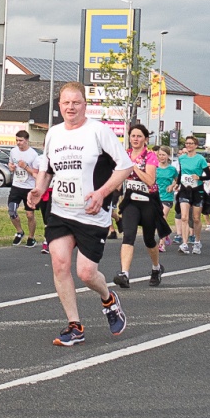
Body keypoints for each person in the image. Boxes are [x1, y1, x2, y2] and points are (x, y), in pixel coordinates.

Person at [25, 81, 132, 346]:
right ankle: (75, 326)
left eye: (76, 102)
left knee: (86, 273)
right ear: (59, 106)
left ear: (85, 105)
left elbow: (125, 167)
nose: (70, 107)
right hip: (61, 211)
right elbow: (47, 169)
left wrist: (102, 193)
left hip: (91, 214)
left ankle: (108, 298)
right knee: (60, 264)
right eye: (66, 103)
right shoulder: (54, 134)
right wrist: (39, 189)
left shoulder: (99, 131)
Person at [113, 123, 165, 288]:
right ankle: (124, 274)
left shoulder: (150, 156)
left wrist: (133, 167)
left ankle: (156, 268)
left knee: (149, 239)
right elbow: (118, 179)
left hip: (148, 200)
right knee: (129, 235)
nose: (135, 139)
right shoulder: (124, 154)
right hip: (130, 201)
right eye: (133, 136)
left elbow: (150, 181)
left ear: (145, 139)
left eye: (139, 136)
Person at [175, 136, 210, 253]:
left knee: (196, 218)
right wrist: (177, 184)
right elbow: (181, 173)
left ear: (196, 145)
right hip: (185, 189)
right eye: (187, 143)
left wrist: (199, 177)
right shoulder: (182, 158)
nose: (189, 145)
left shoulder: (200, 159)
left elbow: (208, 175)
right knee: (184, 217)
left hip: (197, 190)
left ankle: (197, 242)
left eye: (191, 143)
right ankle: (185, 243)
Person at [6, 130, 41, 247]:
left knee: (30, 215)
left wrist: (25, 167)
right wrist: (11, 167)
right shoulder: (13, 151)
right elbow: (10, 164)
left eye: (21, 140)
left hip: (29, 188)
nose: (18, 143)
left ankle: (31, 237)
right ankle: (19, 231)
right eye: (16, 140)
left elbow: (36, 174)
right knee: (12, 210)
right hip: (16, 185)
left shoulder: (33, 155)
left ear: (26, 140)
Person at [154, 145, 178, 251]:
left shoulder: (172, 169)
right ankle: (166, 232)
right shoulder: (154, 167)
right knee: (154, 219)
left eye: (163, 155)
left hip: (167, 197)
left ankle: (161, 244)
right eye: (160, 155)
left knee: (162, 217)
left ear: (168, 156)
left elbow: (177, 180)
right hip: (155, 196)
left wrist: (172, 186)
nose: (161, 157)